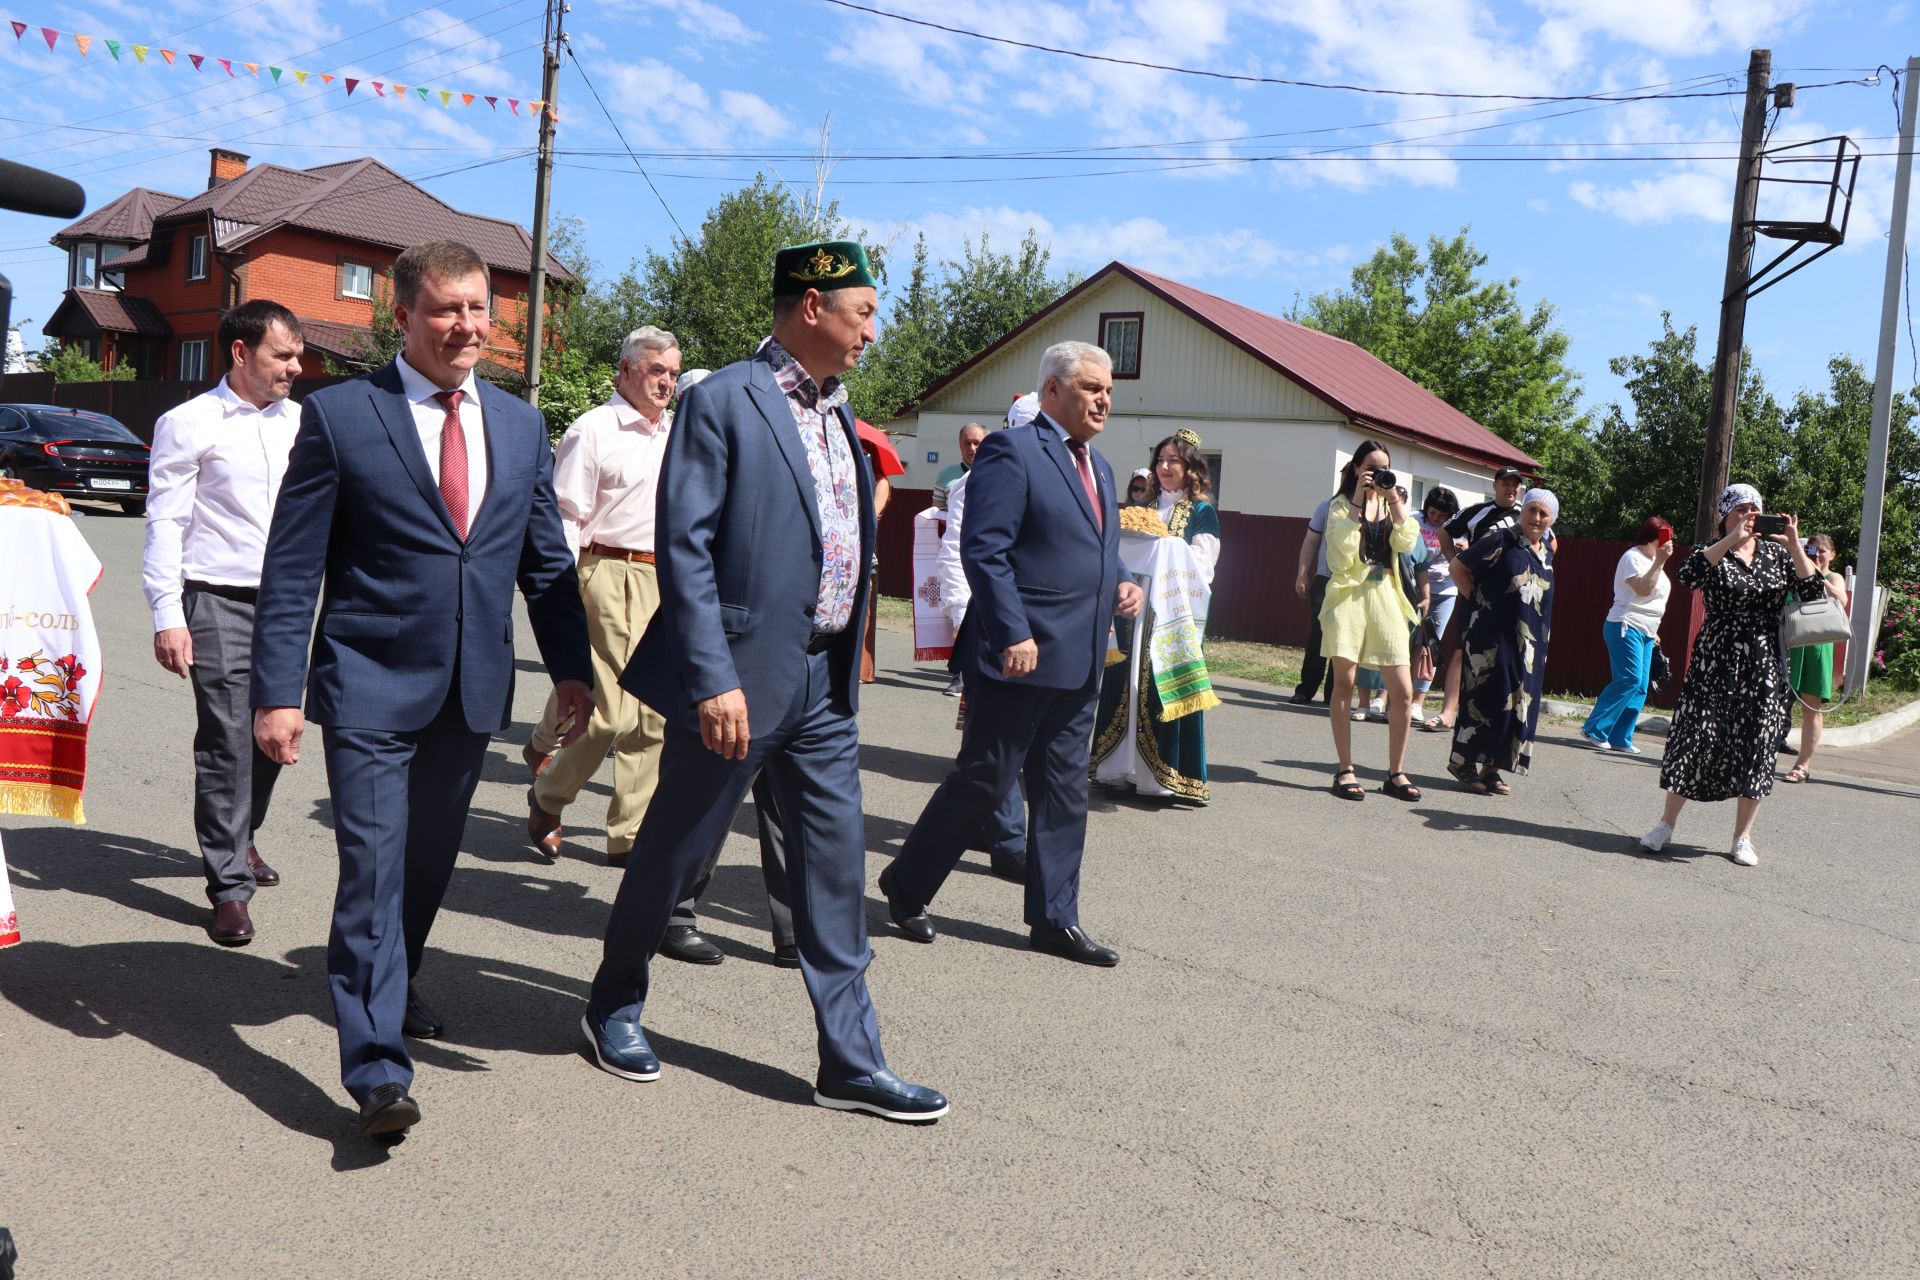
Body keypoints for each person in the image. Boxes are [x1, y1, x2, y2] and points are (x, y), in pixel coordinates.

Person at [583, 240, 947, 1123]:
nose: (874, 329)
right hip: (740, 682)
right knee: (673, 850)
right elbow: (687, 547)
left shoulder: (837, 413)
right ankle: (613, 1004)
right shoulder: (725, 401)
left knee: (832, 871)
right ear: (812, 306)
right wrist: (712, 679)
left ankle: (849, 1064)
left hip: (824, 684)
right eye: (862, 311)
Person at [250, 239, 594, 1139]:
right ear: (401, 315)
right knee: (371, 864)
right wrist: (277, 693)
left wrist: (571, 671)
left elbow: (545, 561)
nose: (466, 326)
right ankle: (376, 1072)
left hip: (470, 686)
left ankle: (382, 985)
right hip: (366, 681)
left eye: (478, 308)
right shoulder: (339, 416)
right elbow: (294, 570)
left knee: (424, 868)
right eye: (445, 308)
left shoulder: (520, 427)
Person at [881, 340, 1145, 964]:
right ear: (1053, 390)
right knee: (985, 779)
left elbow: (1094, 552)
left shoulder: (1100, 467)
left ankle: (1055, 918)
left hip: (1079, 658)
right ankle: (906, 883)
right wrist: (1012, 631)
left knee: (1062, 791)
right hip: (1019, 655)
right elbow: (986, 550)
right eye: (1091, 388)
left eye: (1109, 389)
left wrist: (1120, 587)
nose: (1104, 399)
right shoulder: (1013, 451)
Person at [142, 300, 306, 946]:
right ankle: (228, 887)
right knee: (228, 740)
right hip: (217, 600)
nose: (295, 367)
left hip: (289, 605)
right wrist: (166, 614)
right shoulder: (189, 423)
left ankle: (243, 836)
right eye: (282, 356)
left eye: (298, 356)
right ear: (240, 354)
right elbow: (166, 522)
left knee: (275, 734)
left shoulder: (305, 424)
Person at [1639, 484, 1826, 867]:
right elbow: (1688, 577)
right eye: (1740, 509)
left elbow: (1812, 592)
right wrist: (1729, 541)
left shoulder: (1777, 553)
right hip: (1715, 658)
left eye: (1754, 509)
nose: (1748, 515)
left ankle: (1743, 837)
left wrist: (1793, 545)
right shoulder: (1712, 549)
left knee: (1758, 741)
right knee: (1697, 734)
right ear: (1725, 513)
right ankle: (1665, 824)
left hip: (1764, 661)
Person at [1093, 430, 1221, 802]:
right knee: (1122, 682)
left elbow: (1204, 567)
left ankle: (1159, 776)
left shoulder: (1201, 512)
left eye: (1173, 461)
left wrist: (1167, 548)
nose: (1164, 468)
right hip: (1131, 610)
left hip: (1169, 613)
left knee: (1157, 685)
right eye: (1160, 461)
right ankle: (1116, 768)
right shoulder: (1141, 511)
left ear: (1190, 468)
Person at [932, 435, 1029, 878]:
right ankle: (1007, 840)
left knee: (984, 738)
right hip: (987, 622)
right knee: (996, 737)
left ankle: (976, 820)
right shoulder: (973, 484)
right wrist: (957, 610)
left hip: (1031, 625)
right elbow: (957, 551)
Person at [1318, 443, 1422, 801]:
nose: (1378, 475)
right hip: (1348, 596)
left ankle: (1395, 773)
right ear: (1356, 469)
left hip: (1386, 597)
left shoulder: (1392, 503)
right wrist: (1358, 504)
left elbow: (1408, 543)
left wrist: (1394, 501)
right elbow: (1339, 559)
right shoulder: (1339, 506)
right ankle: (1345, 769)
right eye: (1372, 469)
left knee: (1404, 692)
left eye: (1384, 469)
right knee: (1344, 684)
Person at [1447, 488, 1560, 794]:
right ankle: (1463, 763)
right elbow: (1458, 567)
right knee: (1486, 696)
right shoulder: (1502, 539)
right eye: (1531, 510)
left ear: (1552, 519)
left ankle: (1492, 768)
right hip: (1491, 637)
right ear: (1522, 511)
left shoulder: (1547, 549)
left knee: (1518, 702)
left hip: (1530, 642)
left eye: (1543, 513)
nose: (1536, 518)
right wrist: (1477, 602)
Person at [1427, 465, 1530, 731]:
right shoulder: (1477, 512)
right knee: (1463, 651)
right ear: (1495, 485)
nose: (1511, 488)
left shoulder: (1527, 515)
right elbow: (1444, 532)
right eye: (1505, 483)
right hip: (1477, 590)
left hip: (1514, 596)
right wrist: (1454, 561)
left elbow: (1550, 543)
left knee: (1508, 655)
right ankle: (1448, 712)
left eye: (1515, 484)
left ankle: (1500, 718)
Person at [1581, 516, 1674, 755]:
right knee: (1629, 679)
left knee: (1641, 686)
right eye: (1665, 537)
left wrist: (1655, 631)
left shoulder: (1656, 561)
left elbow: (1654, 602)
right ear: (1653, 536)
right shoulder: (1633, 557)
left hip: (1647, 630)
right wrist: (1659, 562)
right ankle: (1594, 728)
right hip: (1625, 624)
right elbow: (1643, 590)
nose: (1669, 542)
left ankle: (1620, 736)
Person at [1783, 533, 1849, 784]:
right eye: (1811, 549)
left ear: (1832, 554)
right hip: (1788, 645)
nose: (1817, 554)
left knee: (1811, 708)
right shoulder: (1794, 573)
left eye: (1822, 550)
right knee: (1774, 702)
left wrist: (1817, 574)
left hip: (1817, 647)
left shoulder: (1833, 577)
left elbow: (1841, 600)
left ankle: (1802, 765)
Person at [1411, 487, 1459, 720]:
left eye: (1442, 516)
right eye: (1433, 513)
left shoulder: (1457, 527)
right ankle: (1387, 697)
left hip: (1444, 591)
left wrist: (1462, 551)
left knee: (1430, 645)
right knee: (1405, 641)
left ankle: (1417, 703)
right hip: (1412, 589)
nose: (1436, 518)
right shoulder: (1413, 520)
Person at [1290, 495, 1336, 706]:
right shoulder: (1327, 506)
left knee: (1344, 641)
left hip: (1356, 584)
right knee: (1319, 636)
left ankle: (1335, 695)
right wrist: (1302, 573)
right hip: (1325, 579)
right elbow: (1311, 541)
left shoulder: (1374, 506)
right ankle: (1306, 689)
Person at [932, 421, 988, 509]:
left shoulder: (995, 474)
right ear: (960, 445)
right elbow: (936, 513)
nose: (972, 448)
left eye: (977, 443)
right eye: (967, 443)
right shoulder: (945, 475)